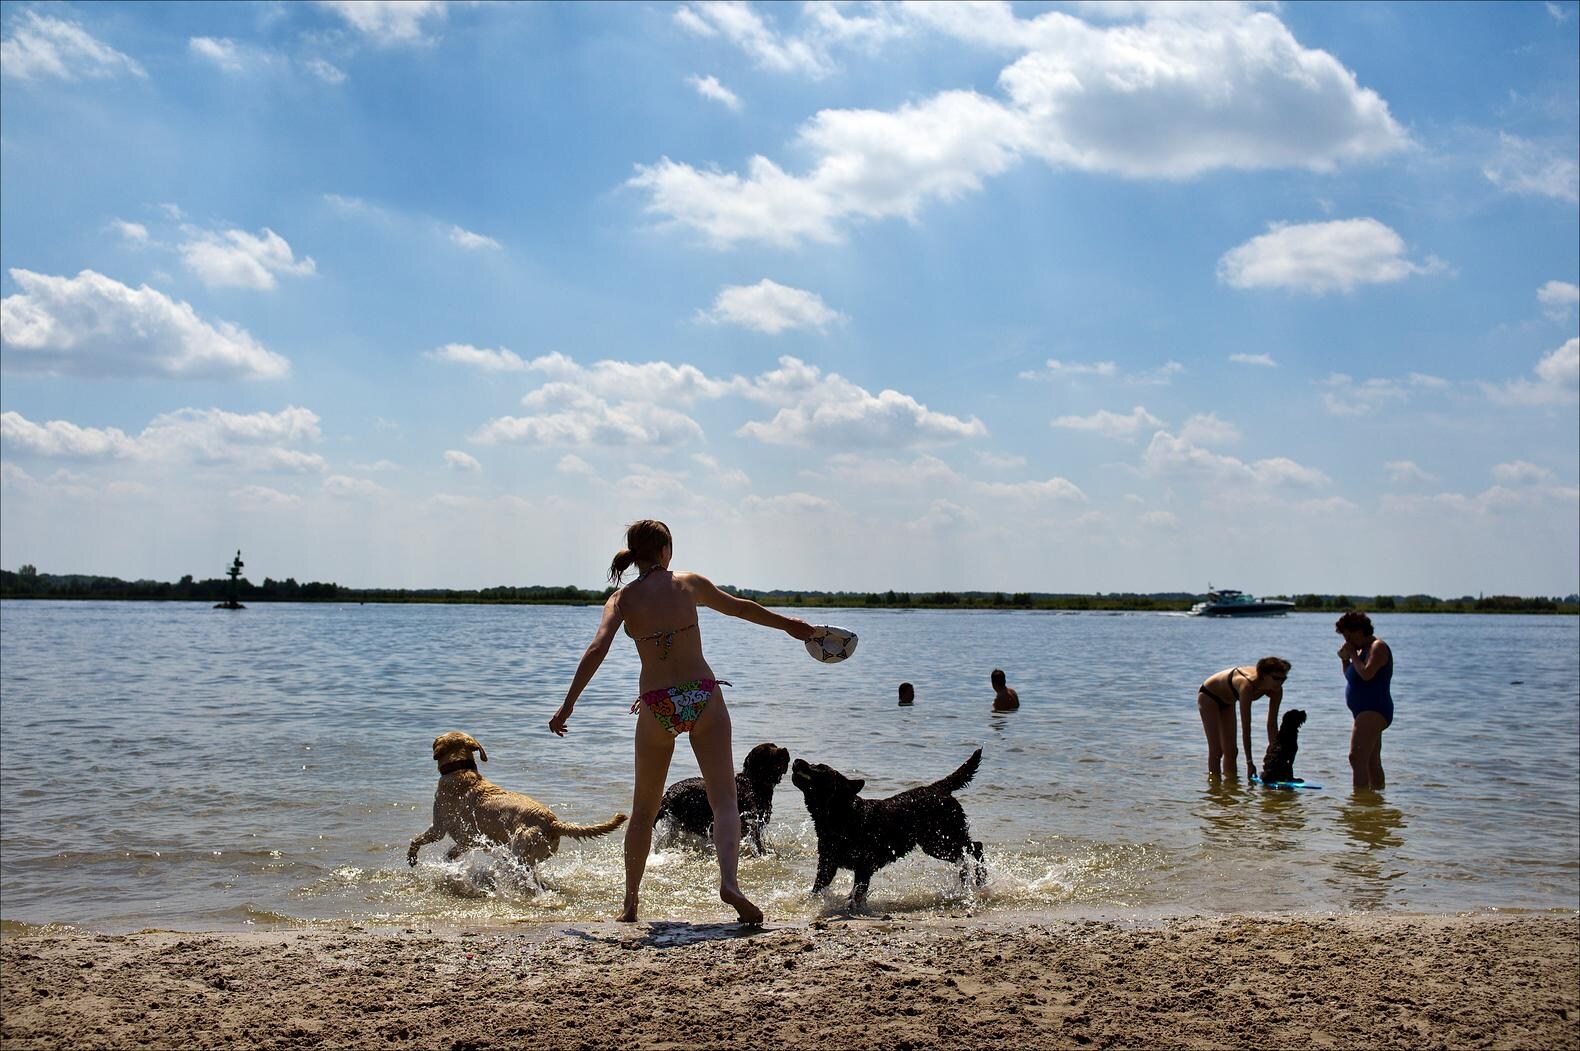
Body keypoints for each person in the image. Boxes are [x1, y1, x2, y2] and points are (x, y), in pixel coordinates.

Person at [548, 520, 815, 924]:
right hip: (703, 695)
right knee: (724, 801)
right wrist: (791, 626)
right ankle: (730, 882)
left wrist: (567, 705)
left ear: (634, 554)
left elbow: (596, 649)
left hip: (657, 706)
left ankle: (631, 904)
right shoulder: (688, 583)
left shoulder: (621, 599)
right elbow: (742, 608)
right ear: (666, 550)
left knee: (642, 811)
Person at [1196, 656, 1290, 779]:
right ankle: (1215, 787)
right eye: (1276, 678)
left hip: (1228, 701)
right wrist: (1249, 762)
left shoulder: (1277, 690)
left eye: (1283, 679)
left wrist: (1277, 757)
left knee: (1232, 752)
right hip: (1209, 696)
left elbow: (1272, 724)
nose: (1280, 682)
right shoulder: (1247, 686)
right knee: (1217, 751)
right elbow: (1246, 727)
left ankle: (1231, 787)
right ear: (1264, 675)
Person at [1335, 610, 1392, 790]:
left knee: (1356, 757)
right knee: (1371, 761)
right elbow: (1353, 676)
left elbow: (1367, 674)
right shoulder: (1361, 651)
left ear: (1360, 631)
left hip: (1374, 709)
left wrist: (1351, 654)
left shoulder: (1378, 647)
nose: (1347, 641)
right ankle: (1376, 802)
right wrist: (1345, 660)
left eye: (1349, 635)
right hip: (1363, 712)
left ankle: (1360, 805)